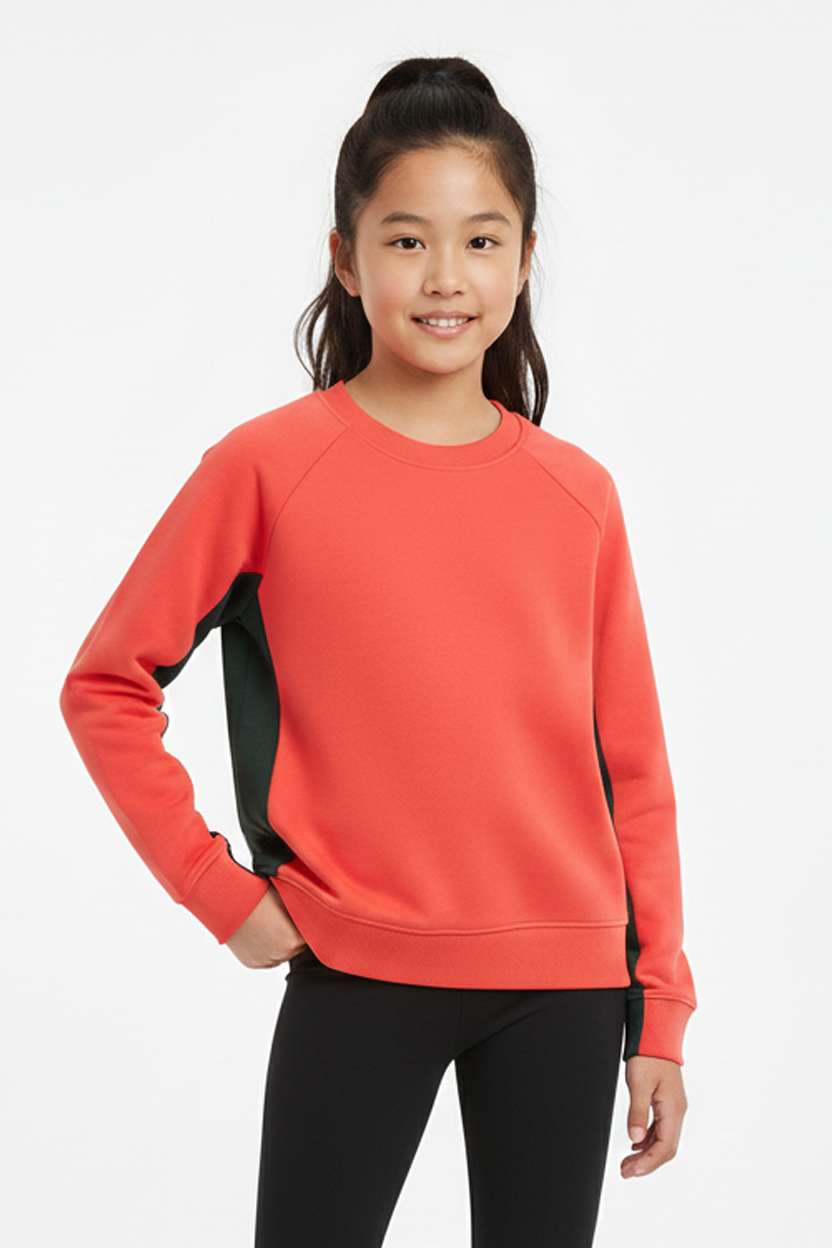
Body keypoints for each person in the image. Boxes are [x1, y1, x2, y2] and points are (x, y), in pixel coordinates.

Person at [61, 55, 696, 1248]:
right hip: (356, 968)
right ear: (346, 260)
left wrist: (658, 1006)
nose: (445, 276)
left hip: (563, 986)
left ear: (524, 258)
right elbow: (106, 685)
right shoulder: (266, 469)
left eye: (481, 240)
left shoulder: (578, 497)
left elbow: (635, 771)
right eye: (406, 240)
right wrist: (220, 894)